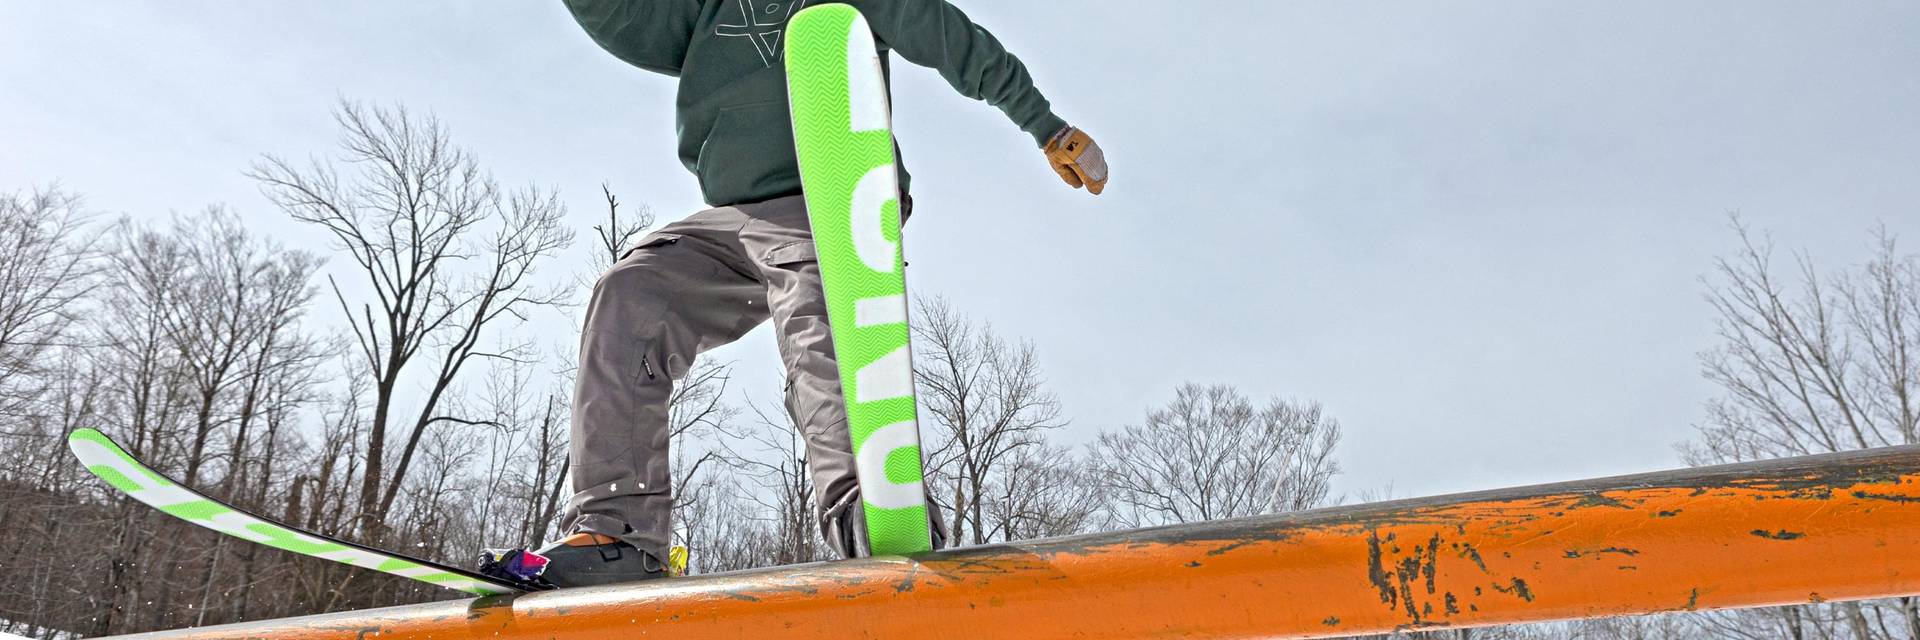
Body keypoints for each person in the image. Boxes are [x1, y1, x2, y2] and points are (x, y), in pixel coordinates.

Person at [535, 0, 1108, 587]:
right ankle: (618, 534)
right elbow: (617, 17)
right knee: (629, 293)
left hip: (829, 203)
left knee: (813, 319)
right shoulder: (699, 12)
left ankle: (868, 501)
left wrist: (1046, 125)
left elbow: (952, 40)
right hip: (732, 217)